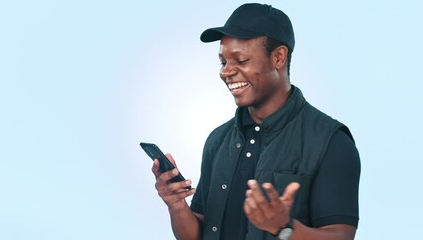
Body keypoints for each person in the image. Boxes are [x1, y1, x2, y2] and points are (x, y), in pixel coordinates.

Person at [151, 3, 360, 240]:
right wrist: (176, 205)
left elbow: (341, 236)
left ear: (278, 57)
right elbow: (198, 234)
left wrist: (285, 229)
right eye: (223, 62)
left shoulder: (331, 142)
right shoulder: (218, 140)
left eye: (240, 61)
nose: (226, 72)